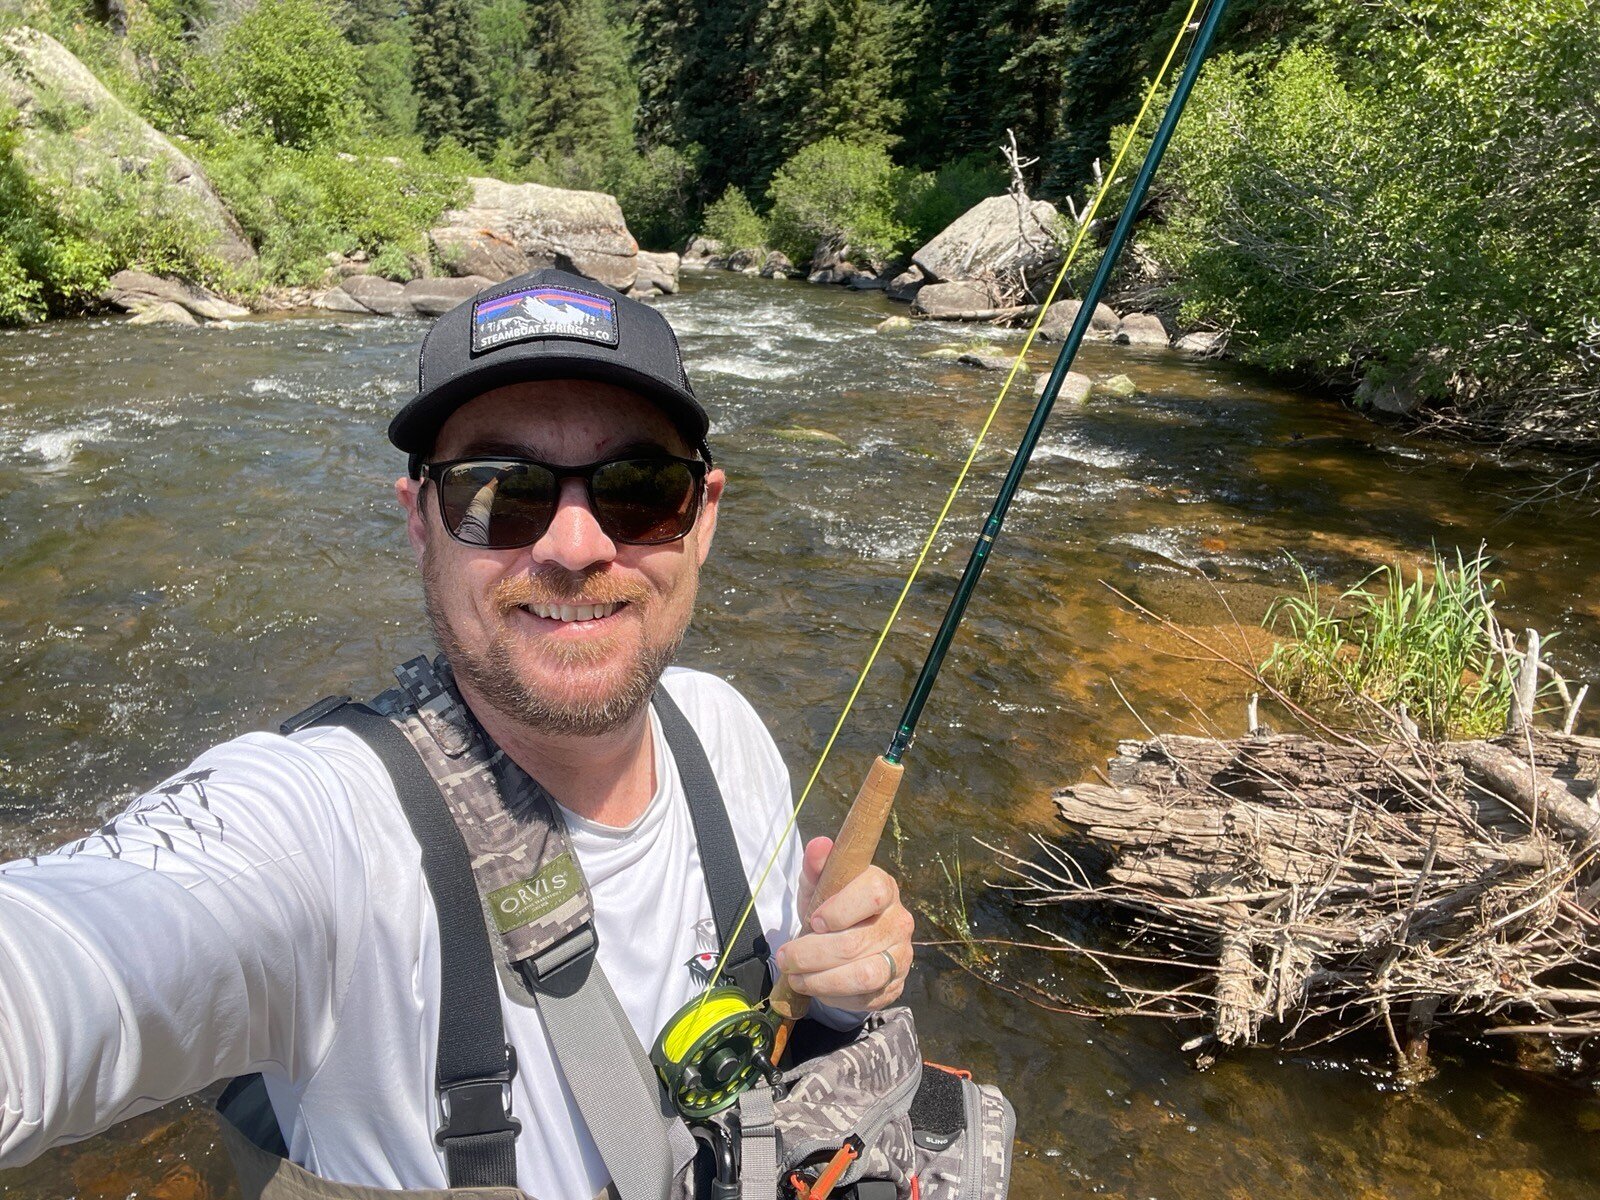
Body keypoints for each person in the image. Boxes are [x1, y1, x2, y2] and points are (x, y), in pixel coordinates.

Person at [0, 268, 916, 1200]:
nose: (574, 546)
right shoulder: (325, 827)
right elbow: (66, 961)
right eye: (497, 492)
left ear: (702, 518)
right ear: (420, 525)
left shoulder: (723, 727)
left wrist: (836, 1000)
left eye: (638, 488)